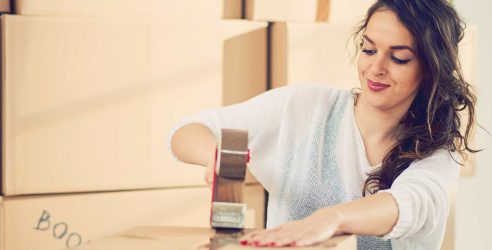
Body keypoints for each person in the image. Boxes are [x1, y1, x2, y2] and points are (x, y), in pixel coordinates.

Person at [169, 0, 478, 249]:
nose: (375, 68)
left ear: (430, 69)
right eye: (368, 49)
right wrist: (217, 157)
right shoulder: (302, 109)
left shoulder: (438, 154)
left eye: (398, 58)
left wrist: (330, 219)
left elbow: (407, 205)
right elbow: (187, 131)